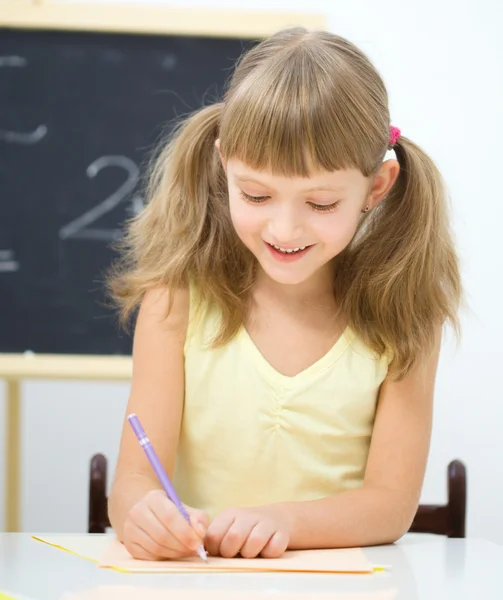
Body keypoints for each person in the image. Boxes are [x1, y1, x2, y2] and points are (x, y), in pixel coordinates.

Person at [107, 27, 461, 561]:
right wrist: (143, 514)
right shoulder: (176, 298)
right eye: (255, 195)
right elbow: (132, 483)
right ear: (224, 164)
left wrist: (282, 522)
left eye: (319, 204)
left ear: (377, 187)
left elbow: (390, 505)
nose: (285, 229)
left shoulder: (405, 312)